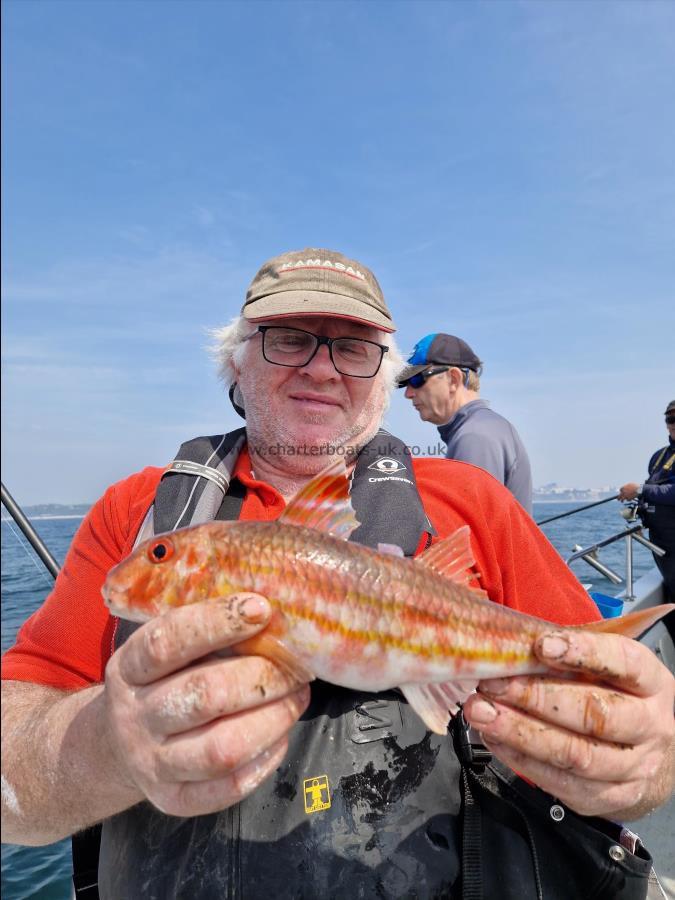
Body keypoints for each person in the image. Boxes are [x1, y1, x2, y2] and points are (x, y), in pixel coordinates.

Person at [1, 248, 673, 900]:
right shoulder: (137, 510)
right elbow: (12, 768)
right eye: (289, 339)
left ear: (382, 375)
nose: (321, 369)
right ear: (236, 360)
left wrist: (644, 760)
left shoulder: (471, 499)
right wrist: (108, 745)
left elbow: (628, 726)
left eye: (352, 348)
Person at [397, 333, 533, 514]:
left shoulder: (474, 437)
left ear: (453, 379)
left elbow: (471, 534)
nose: (408, 394)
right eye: (406, 383)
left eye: (417, 380)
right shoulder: (483, 427)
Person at [619, 400, 675, 602]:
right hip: (660, 541)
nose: (674, 423)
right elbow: (655, 490)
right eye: (671, 418)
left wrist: (640, 489)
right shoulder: (658, 457)